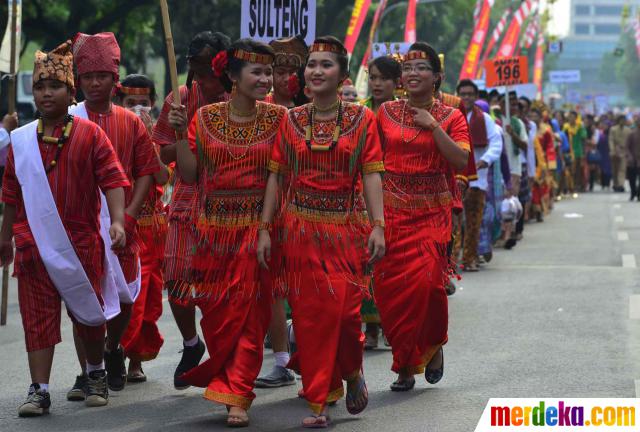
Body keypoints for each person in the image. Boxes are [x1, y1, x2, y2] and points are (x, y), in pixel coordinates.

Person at [257, 36, 385, 428]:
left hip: (345, 229)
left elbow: (371, 174)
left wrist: (379, 225)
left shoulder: (363, 120)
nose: (315, 71)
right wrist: (265, 229)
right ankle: (319, 401)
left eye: (325, 65)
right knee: (311, 319)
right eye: (311, 64)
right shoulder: (291, 120)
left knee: (345, 316)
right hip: (299, 230)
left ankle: (351, 370)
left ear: (343, 74)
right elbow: (276, 178)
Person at [1, 41, 129, 415]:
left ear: (70, 92)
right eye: (39, 87)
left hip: (81, 243)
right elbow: (10, 192)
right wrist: (5, 236)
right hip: (32, 244)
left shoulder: (90, 134)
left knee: (88, 316)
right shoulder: (21, 140)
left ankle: (95, 372)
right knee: (37, 318)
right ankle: (39, 389)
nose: (45, 94)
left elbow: (112, 180)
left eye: (53, 87)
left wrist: (118, 220)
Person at [169, 39, 286, 428]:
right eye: (257, 72)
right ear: (233, 77)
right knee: (218, 316)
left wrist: (267, 227)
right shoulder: (203, 119)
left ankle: (238, 394)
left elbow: (277, 176)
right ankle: (227, 381)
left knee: (251, 314)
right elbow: (188, 174)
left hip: (257, 228)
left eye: (269, 72)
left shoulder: (278, 118)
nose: (266, 79)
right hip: (212, 232)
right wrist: (179, 130)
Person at [374, 42, 469, 391]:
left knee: (428, 286)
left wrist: (433, 126)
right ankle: (405, 365)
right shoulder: (384, 113)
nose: (413, 74)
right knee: (391, 293)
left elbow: (460, 160)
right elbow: (371, 162)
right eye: (409, 69)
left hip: (432, 213)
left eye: (422, 68)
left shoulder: (451, 116)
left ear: (437, 77)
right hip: (392, 213)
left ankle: (432, 345)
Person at [68, 32, 158, 395]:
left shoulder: (130, 122)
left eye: (101, 76)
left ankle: (110, 348)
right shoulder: (70, 120)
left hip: (123, 221)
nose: (93, 83)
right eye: (87, 76)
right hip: (79, 222)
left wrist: (131, 215)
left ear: (113, 80)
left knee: (124, 298)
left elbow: (147, 172)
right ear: (78, 80)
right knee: (82, 299)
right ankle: (90, 374)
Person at [152, 31, 231, 390]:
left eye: (206, 69)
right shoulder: (181, 98)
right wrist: (182, 133)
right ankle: (190, 343)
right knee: (177, 280)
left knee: (222, 288)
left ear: (223, 64)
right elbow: (161, 156)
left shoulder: (240, 97)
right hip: (187, 197)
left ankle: (226, 356)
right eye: (195, 69)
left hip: (231, 201)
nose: (201, 78)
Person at [256, 35, 308, 389]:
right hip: (272, 206)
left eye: (293, 70)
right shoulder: (261, 108)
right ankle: (281, 360)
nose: (286, 76)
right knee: (275, 287)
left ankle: (314, 358)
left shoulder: (318, 107)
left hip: (314, 209)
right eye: (280, 69)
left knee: (310, 289)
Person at [114, 74, 170, 382]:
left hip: (155, 231)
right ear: (119, 104)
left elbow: (162, 178)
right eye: (130, 103)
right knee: (128, 301)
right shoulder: (109, 135)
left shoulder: (159, 137)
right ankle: (116, 355)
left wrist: (148, 139)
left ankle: (136, 361)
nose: (137, 108)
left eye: (144, 103)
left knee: (149, 303)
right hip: (125, 229)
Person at [361, 54, 401, 349]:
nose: (377, 83)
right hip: (360, 195)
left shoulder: (402, 114)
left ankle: (390, 323)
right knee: (367, 262)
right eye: (373, 77)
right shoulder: (358, 113)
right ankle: (371, 328)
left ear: (397, 82)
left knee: (391, 265)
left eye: (383, 78)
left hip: (395, 195)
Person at [456, 79, 502, 271]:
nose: (466, 97)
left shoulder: (484, 118)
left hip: (477, 178)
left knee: (474, 222)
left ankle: (470, 258)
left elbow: (496, 142)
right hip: (454, 178)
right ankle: (450, 261)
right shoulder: (450, 115)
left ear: (475, 96)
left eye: (469, 94)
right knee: (454, 223)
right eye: (463, 94)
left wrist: (486, 160)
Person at [499, 92, 528, 249]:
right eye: (510, 104)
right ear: (502, 105)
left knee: (510, 202)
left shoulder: (518, 124)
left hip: (514, 168)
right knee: (499, 202)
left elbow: (524, 145)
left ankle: (508, 235)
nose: (514, 107)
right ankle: (501, 233)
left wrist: (513, 134)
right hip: (498, 168)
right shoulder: (494, 120)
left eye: (516, 104)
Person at [563, 111, 587, 194]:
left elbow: (584, 138)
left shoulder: (580, 126)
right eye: (570, 117)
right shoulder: (566, 127)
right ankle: (568, 186)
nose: (571, 118)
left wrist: (584, 152)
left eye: (573, 117)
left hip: (577, 151)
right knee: (568, 169)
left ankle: (576, 185)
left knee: (577, 170)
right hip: (568, 151)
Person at [609, 115, 631, 193]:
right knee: (615, 169)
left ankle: (621, 185)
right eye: (621, 120)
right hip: (615, 151)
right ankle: (615, 184)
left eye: (624, 120)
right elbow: (611, 140)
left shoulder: (628, 130)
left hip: (624, 151)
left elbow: (629, 141)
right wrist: (612, 150)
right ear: (618, 120)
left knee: (622, 169)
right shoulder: (613, 129)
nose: (623, 121)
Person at [626, 115, 640, 201]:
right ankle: (633, 193)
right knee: (632, 179)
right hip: (632, 160)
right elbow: (627, 147)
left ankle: (638, 193)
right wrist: (630, 156)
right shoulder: (632, 133)